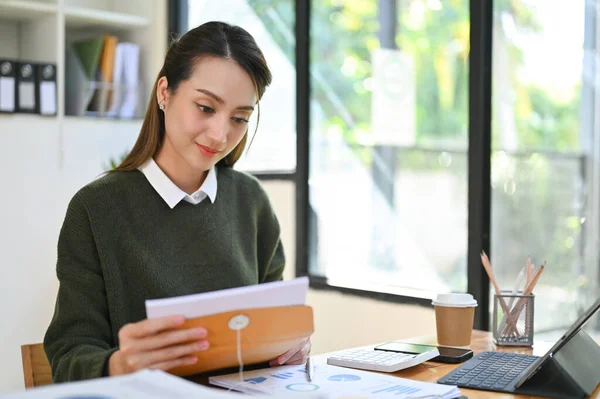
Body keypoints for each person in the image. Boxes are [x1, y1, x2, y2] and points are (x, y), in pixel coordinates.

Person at [44, 21, 310, 383]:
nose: (220, 135)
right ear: (165, 93)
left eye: (239, 118)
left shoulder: (252, 202)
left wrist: (288, 346)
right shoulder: (95, 210)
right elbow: (69, 357)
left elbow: (271, 332)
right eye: (205, 107)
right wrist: (121, 364)